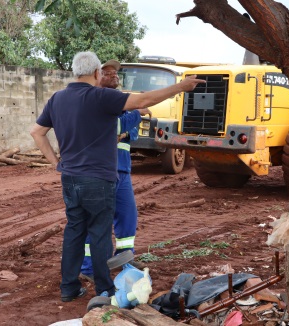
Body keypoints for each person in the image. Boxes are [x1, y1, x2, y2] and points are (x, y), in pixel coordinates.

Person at [30, 51, 204, 302]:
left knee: (74, 232)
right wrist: (181, 86)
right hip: (98, 180)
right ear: (96, 73)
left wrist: (57, 163)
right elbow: (145, 99)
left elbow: (37, 132)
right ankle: (104, 289)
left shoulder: (57, 99)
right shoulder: (101, 96)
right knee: (100, 234)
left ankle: (68, 288)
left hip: (70, 179)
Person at [80, 60, 149, 282]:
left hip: (123, 171)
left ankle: (124, 259)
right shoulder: (95, 100)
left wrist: (124, 126)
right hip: (100, 172)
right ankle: (89, 268)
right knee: (98, 220)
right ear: (97, 75)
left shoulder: (122, 101)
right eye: (108, 73)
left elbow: (131, 135)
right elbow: (115, 129)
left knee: (128, 217)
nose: (114, 76)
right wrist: (136, 113)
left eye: (116, 73)